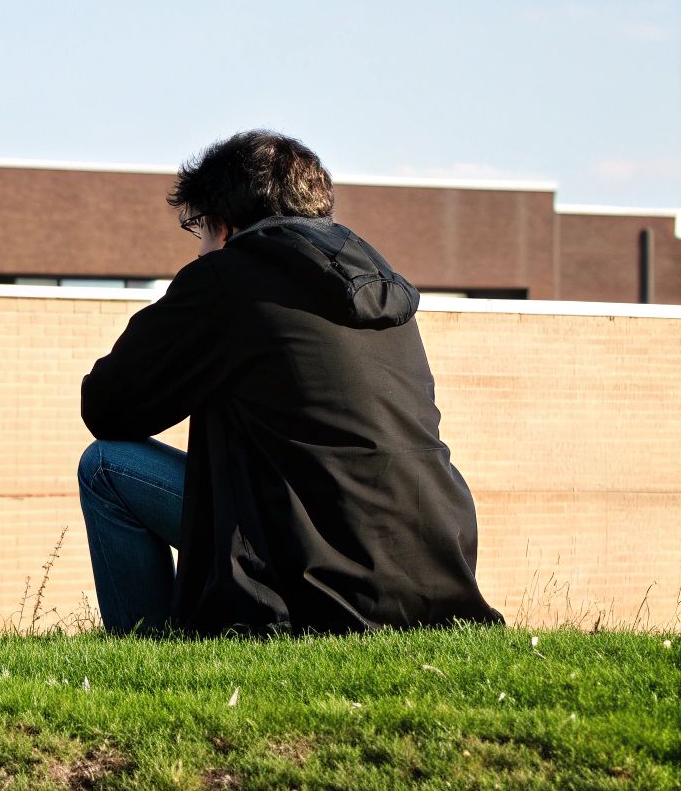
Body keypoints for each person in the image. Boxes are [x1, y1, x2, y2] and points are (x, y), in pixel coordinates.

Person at [77, 130, 502, 636]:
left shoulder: (227, 279)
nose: (198, 249)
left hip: (306, 564)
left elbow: (108, 407)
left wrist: (191, 310)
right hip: (431, 567)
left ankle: (148, 643)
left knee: (105, 465)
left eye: (197, 230)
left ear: (223, 224)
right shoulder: (380, 287)